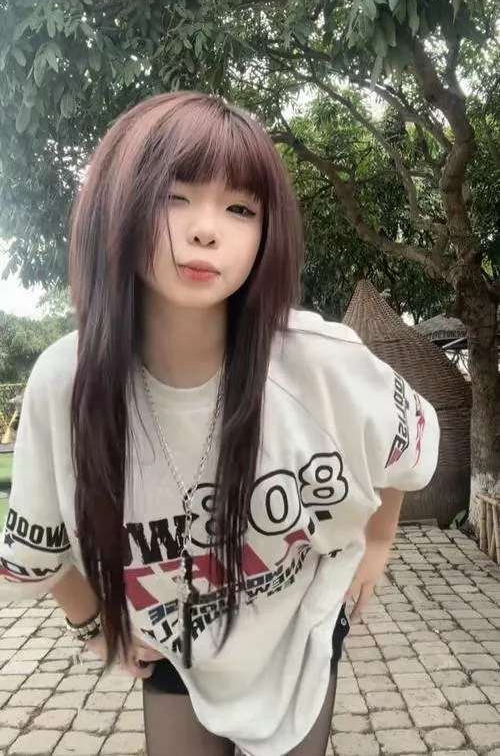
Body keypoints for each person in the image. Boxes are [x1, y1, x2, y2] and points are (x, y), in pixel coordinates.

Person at [0, 92, 439, 756]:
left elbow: (406, 448)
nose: (206, 230)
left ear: (267, 233)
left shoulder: (321, 360)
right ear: (117, 206)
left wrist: (376, 545)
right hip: (175, 637)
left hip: (296, 624)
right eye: (174, 197)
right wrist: (96, 625)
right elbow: (39, 546)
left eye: (241, 209)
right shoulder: (67, 382)